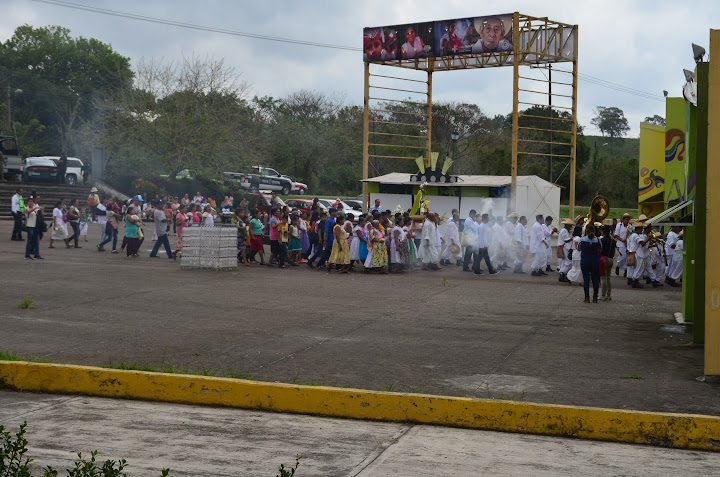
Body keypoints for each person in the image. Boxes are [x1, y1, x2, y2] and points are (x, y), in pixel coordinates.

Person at [579, 224, 601, 303]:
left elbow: (579, 248)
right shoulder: (598, 240)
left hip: (585, 261)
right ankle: (595, 297)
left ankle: (587, 297)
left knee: (586, 279)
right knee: (595, 279)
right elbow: (600, 248)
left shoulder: (582, 240)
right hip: (595, 261)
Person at [600, 225, 616, 300]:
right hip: (610, 259)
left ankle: (603, 295)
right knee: (608, 278)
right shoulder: (613, 240)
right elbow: (614, 251)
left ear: (603, 232)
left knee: (603, 277)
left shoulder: (602, 240)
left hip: (603, 259)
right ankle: (608, 295)